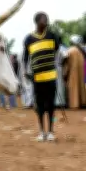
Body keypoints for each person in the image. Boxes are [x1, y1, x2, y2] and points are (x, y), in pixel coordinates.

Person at [22, 12, 62, 142]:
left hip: (51, 77)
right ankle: (41, 131)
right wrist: (25, 72)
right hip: (37, 78)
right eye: (44, 20)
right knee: (39, 106)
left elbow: (56, 50)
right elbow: (25, 58)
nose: (46, 22)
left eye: (47, 20)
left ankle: (50, 131)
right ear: (37, 22)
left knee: (50, 105)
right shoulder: (28, 39)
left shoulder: (52, 36)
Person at [63, 35, 86, 109]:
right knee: (81, 87)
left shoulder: (70, 50)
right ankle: (83, 102)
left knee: (73, 88)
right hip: (83, 73)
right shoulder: (82, 50)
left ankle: (75, 104)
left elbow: (66, 63)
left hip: (72, 73)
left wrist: (65, 73)